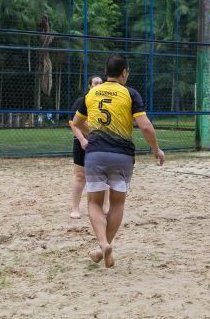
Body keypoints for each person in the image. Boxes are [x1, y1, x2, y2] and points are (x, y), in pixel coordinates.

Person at [71, 54, 165, 268]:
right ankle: (103, 247)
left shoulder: (92, 93)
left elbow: (77, 122)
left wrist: (95, 133)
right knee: (117, 203)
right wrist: (156, 149)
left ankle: (103, 244)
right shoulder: (130, 93)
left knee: (94, 202)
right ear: (124, 73)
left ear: (106, 72)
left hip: (96, 154)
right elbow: (145, 126)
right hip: (123, 155)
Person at [68, 75, 109, 219]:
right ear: (89, 86)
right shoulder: (82, 101)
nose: (99, 85)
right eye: (96, 83)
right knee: (80, 176)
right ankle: (75, 208)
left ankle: (104, 206)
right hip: (83, 142)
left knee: (103, 176)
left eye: (101, 83)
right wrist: (82, 139)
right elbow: (73, 123)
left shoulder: (105, 103)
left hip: (100, 143)